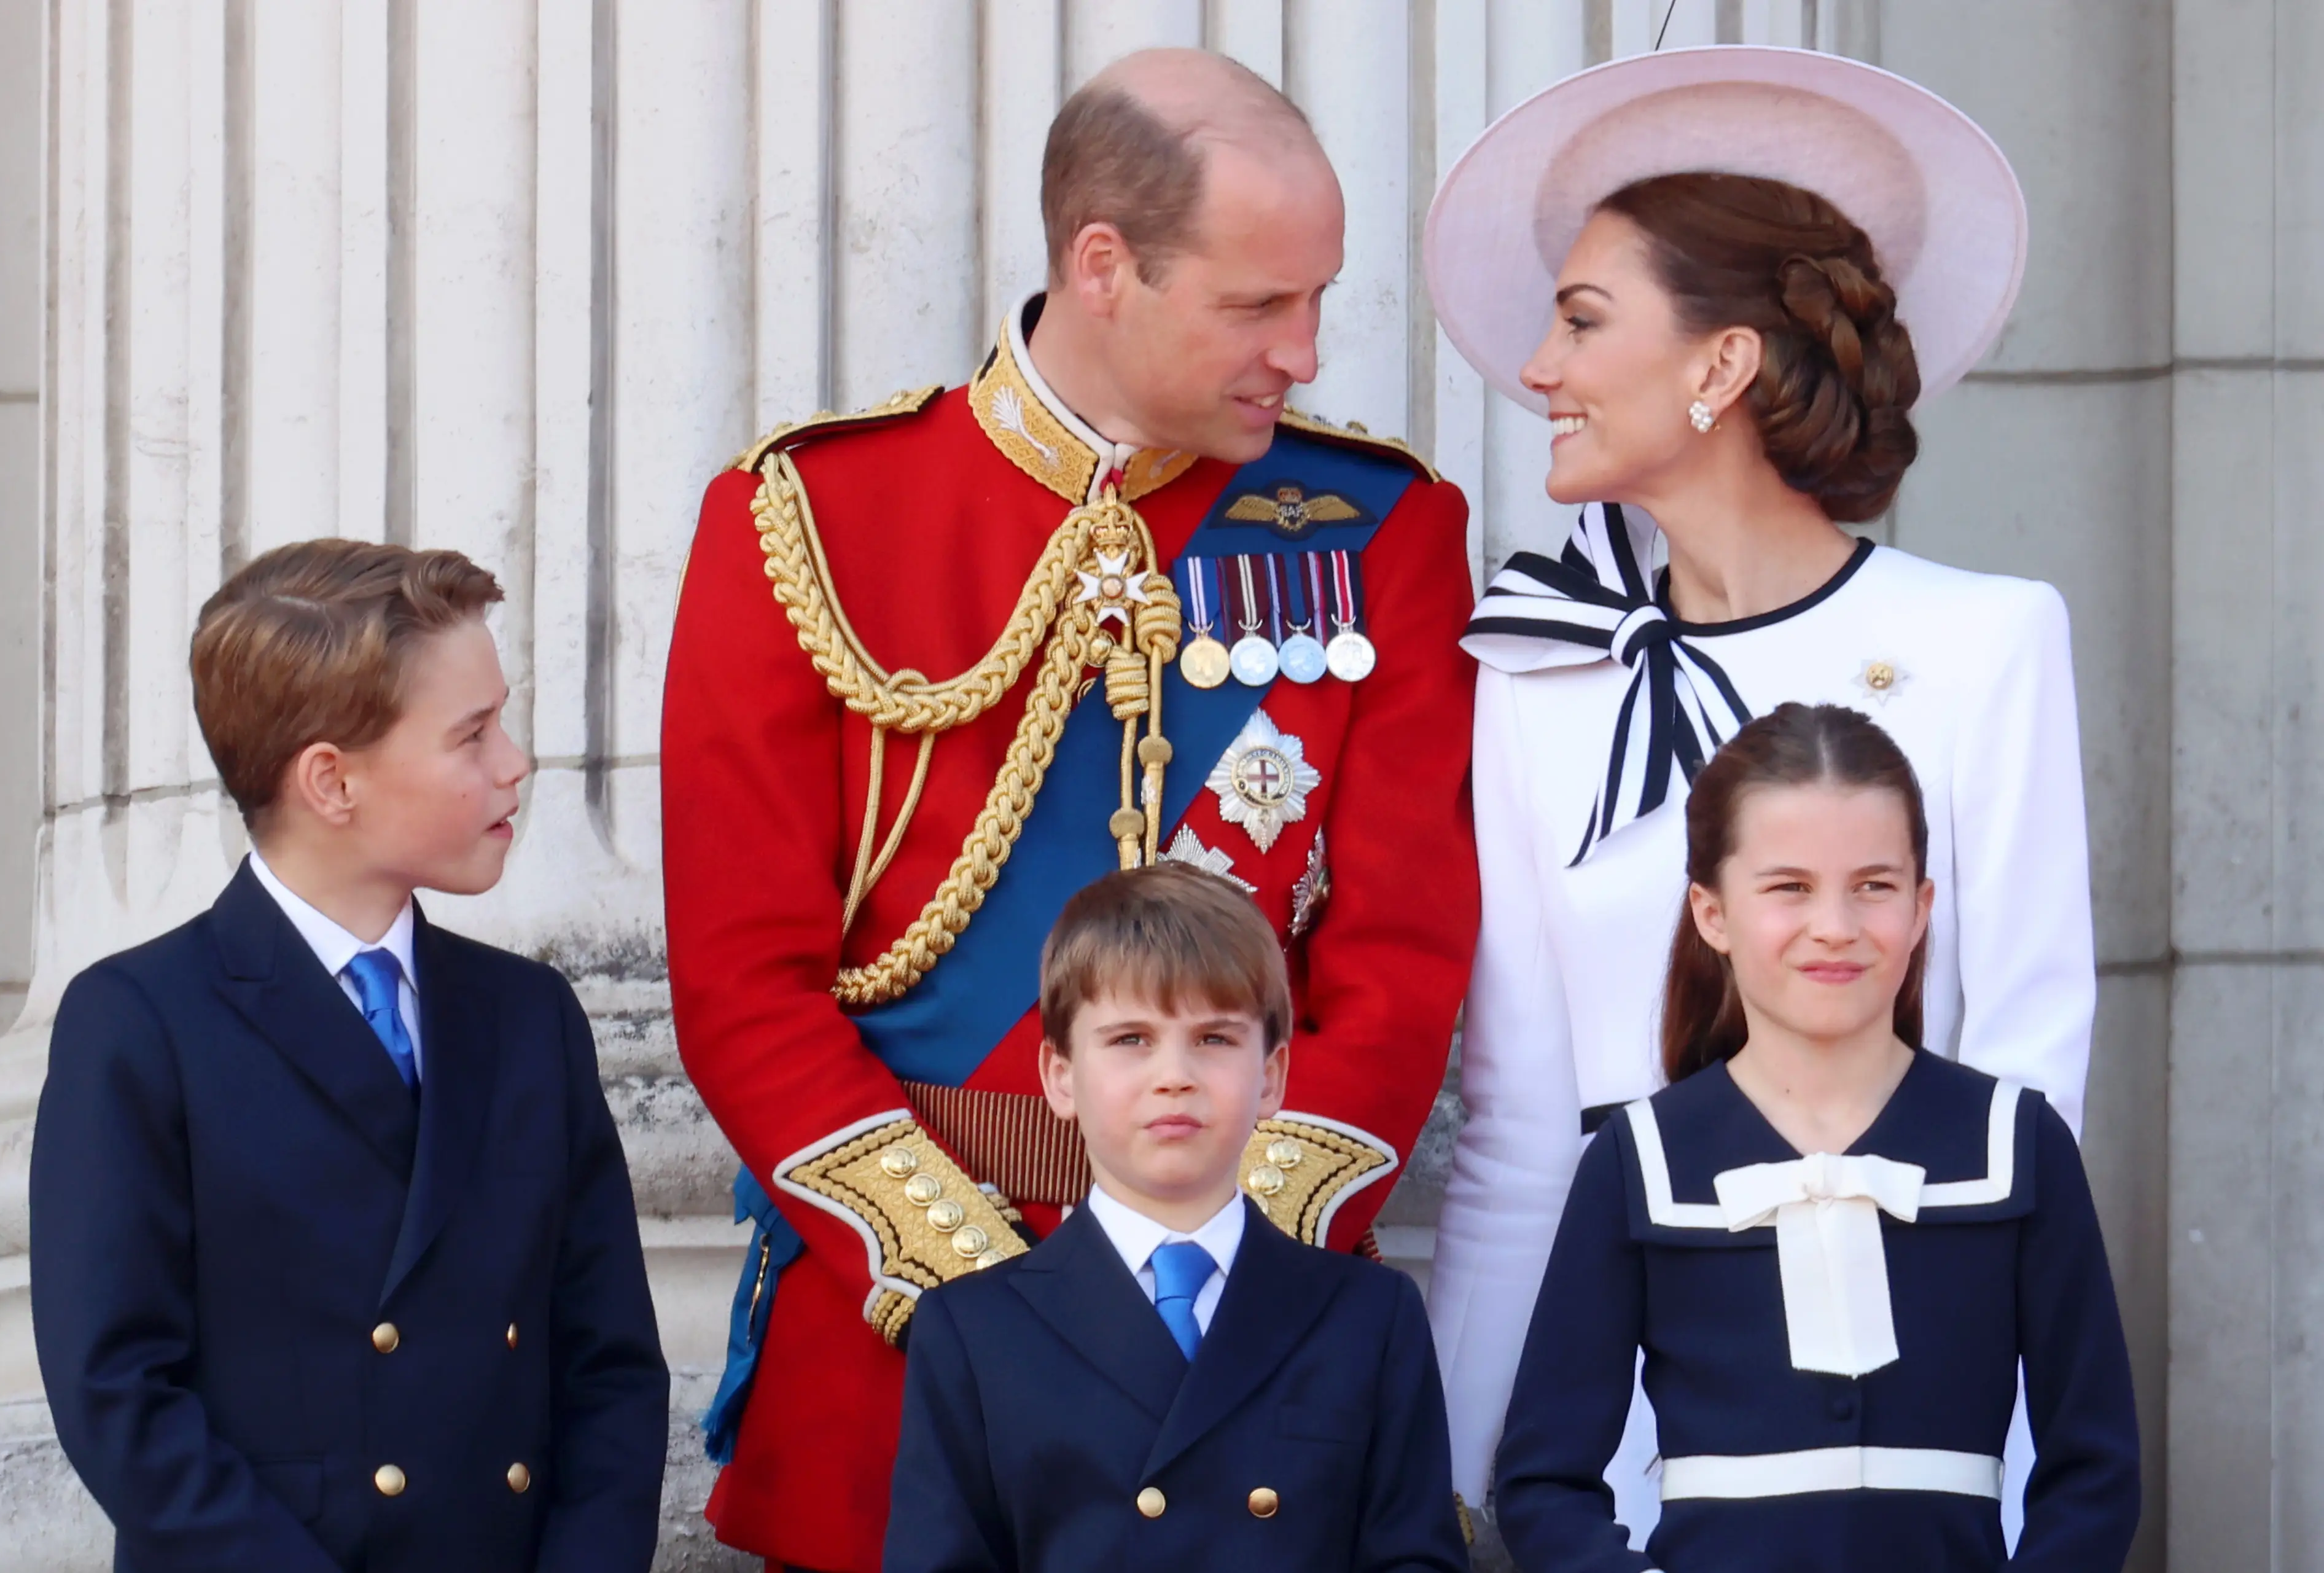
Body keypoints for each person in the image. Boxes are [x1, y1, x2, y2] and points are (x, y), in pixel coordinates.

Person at [663, 47, 1478, 1572]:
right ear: (1102, 264)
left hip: (1249, 1357)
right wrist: (984, 1295)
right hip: (901, 1350)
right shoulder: (807, 518)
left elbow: (1400, 958)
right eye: (1255, 304)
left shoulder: (1383, 531)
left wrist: (1222, 1261)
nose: (1303, 349)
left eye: (1318, 298)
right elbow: (737, 981)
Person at [1417, 45, 2094, 1541]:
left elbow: (2027, 1076)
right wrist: (1471, 1463)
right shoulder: (1534, 672)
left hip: (1899, 1409)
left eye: (1582, 321)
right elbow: (1520, 1118)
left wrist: (2021, 1461)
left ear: (1717, 365)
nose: (1539, 367)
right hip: (1621, 1405)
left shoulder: (1984, 640)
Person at [28, 542, 669, 1573]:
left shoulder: (529, 1018)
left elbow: (611, 1372)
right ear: (331, 781)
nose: (515, 761)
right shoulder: (141, 1025)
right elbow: (120, 1398)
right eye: (471, 735)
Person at [1492, 701, 2139, 1572]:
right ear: (1711, 912)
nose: (1836, 925)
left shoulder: (2017, 1144)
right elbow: (1543, 1481)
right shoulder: (1638, 1160)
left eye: (1874, 885)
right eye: (1789, 887)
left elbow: (2095, 1471)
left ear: (1921, 907)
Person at [883, 864, 1467, 1572]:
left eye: (1214, 1039)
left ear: (1273, 1075)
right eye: (1131, 1038)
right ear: (1059, 1075)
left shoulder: (1369, 1317)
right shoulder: (973, 1330)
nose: (1174, 1074)